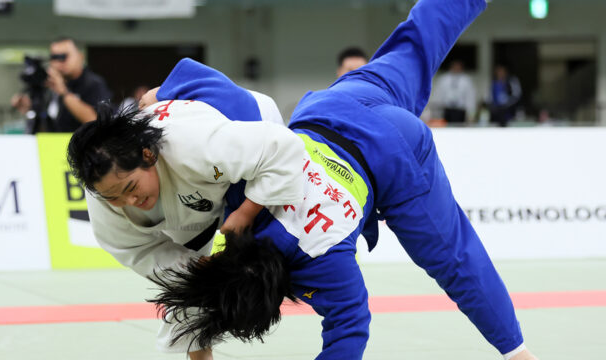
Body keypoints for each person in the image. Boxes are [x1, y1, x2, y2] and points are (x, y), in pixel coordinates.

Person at [147, 0, 539, 359]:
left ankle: (518, 353)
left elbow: (350, 330)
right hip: (337, 106)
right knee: (418, 41)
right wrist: (159, 96)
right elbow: (220, 93)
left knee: (453, 258)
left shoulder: (324, 268)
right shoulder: (233, 203)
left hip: (393, 153)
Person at [66, 58, 301, 360]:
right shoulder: (104, 197)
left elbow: (284, 149)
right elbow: (138, 251)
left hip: (250, 138)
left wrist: (245, 213)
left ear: (148, 155)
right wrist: (192, 268)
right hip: (190, 205)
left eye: (130, 188)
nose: (127, 202)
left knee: (283, 258)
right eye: (113, 197)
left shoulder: (196, 144)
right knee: (190, 290)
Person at [12, 37, 112, 132]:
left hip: (82, 147)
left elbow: (96, 121)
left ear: (80, 57)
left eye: (63, 57)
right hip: (54, 146)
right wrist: (31, 106)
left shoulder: (93, 83)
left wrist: (64, 92)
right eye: (54, 57)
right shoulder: (49, 85)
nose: (59, 62)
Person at [432, 59, 477, 124]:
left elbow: (470, 97)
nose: (456, 68)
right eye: (455, 66)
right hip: (447, 109)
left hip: (460, 110)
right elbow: (438, 94)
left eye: (458, 66)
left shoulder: (466, 80)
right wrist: (436, 111)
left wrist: (471, 113)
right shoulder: (444, 79)